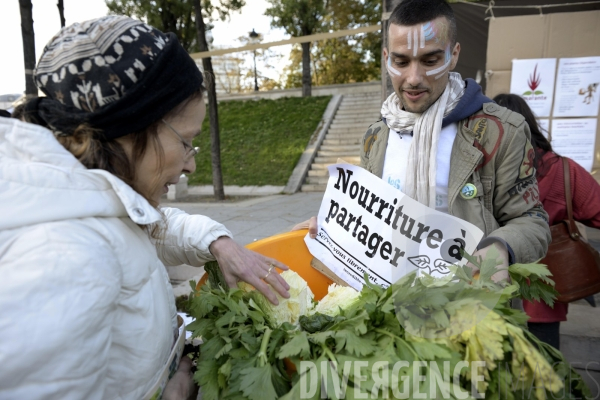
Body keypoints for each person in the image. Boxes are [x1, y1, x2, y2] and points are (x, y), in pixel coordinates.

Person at [0, 16, 290, 400]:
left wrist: (219, 243)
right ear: (130, 127)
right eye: (186, 142)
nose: (191, 164)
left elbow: (145, 228)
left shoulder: (88, 198)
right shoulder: (67, 257)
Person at [301, 0, 550, 279]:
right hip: (386, 305)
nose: (414, 78)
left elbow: (532, 222)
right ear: (386, 59)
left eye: (430, 60)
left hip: (468, 305)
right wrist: (332, 228)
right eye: (401, 61)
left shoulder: (502, 132)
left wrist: (502, 248)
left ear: (453, 55)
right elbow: (370, 219)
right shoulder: (376, 136)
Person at [494, 93, 600, 349]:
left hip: (488, 289)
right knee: (544, 371)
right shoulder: (564, 170)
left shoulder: (481, 170)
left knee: (493, 373)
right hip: (543, 296)